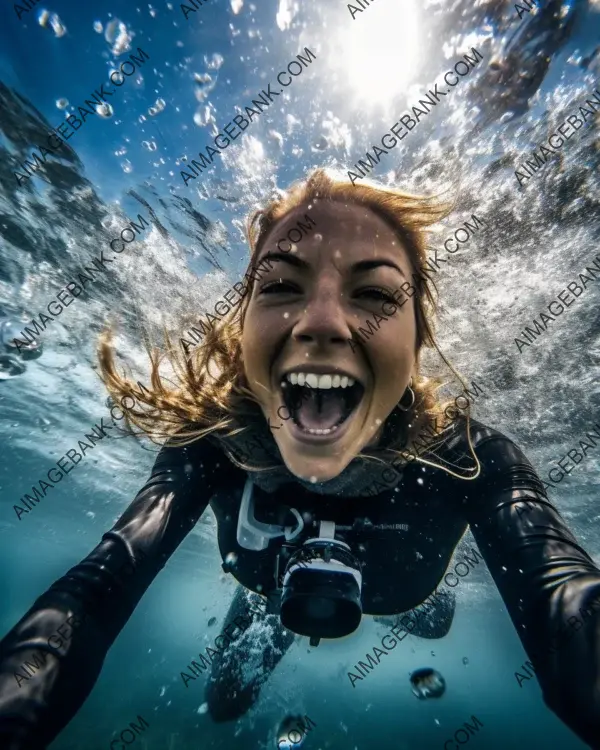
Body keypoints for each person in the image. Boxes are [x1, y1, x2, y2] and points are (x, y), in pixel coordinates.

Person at [1, 168, 599, 750]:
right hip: (267, 591)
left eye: (374, 294)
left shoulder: (473, 456)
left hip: (407, 596)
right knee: (227, 701)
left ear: (418, 340)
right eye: (281, 287)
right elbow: (96, 586)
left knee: (436, 622)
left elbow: (566, 596)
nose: (321, 323)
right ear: (242, 330)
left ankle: (416, 600)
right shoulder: (211, 441)